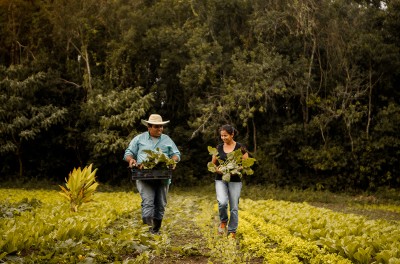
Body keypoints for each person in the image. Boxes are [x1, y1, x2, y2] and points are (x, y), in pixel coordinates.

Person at [124, 114, 181, 234]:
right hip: (143, 176)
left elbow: (176, 154)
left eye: (161, 127)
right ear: (149, 127)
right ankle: (148, 232)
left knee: (160, 204)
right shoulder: (139, 139)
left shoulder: (167, 139)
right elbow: (128, 153)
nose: (160, 129)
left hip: (163, 177)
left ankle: (156, 230)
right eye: (156, 127)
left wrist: (173, 160)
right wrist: (131, 160)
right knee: (148, 202)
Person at [211, 124, 248, 239]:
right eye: (221, 136)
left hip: (235, 180)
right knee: (222, 203)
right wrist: (219, 170)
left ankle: (232, 231)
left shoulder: (240, 147)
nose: (223, 138)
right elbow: (213, 164)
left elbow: (246, 164)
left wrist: (236, 169)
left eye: (225, 135)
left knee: (234, 207)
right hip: (220, 179)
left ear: (232, 134)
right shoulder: (218, 148)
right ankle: (223, 221)